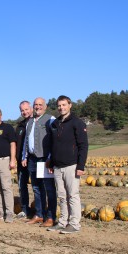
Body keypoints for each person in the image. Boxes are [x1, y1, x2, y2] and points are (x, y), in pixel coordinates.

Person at [47, 95, 88, 234]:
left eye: (64, 105)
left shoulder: (77, 123)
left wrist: (81, 166)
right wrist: (52, 163)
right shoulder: (55, 123)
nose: (61, 108)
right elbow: (54, 145)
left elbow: (83, 146)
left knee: (73, 195)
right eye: (59, 105)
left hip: (72, 165)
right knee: (62, 196)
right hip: (58, 166)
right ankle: (62, 221)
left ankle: (74, 223)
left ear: (70, 105)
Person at [23, 97, 57, 227]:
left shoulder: (51, 119)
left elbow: (54, 140)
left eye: (40, 104)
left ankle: (51, 217)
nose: (37, 107)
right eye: (35, 105)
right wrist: (24, 156)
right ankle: (39, 214)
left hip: (44, 158)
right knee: (36, 188)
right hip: (32, 159)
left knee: (49, 189)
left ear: (45, 106)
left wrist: (50, 157)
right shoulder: (30, 121)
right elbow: (27, 140)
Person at [15, 101, 32, 219]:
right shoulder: (20, 126)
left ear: (31, 108)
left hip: (34, 160)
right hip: (21, 161)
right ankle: (25, 209)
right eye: (22, 110)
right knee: (22, 185)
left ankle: (40, 211)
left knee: (37, 186)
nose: (24, 112)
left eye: (26, 109)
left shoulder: (37, 122)